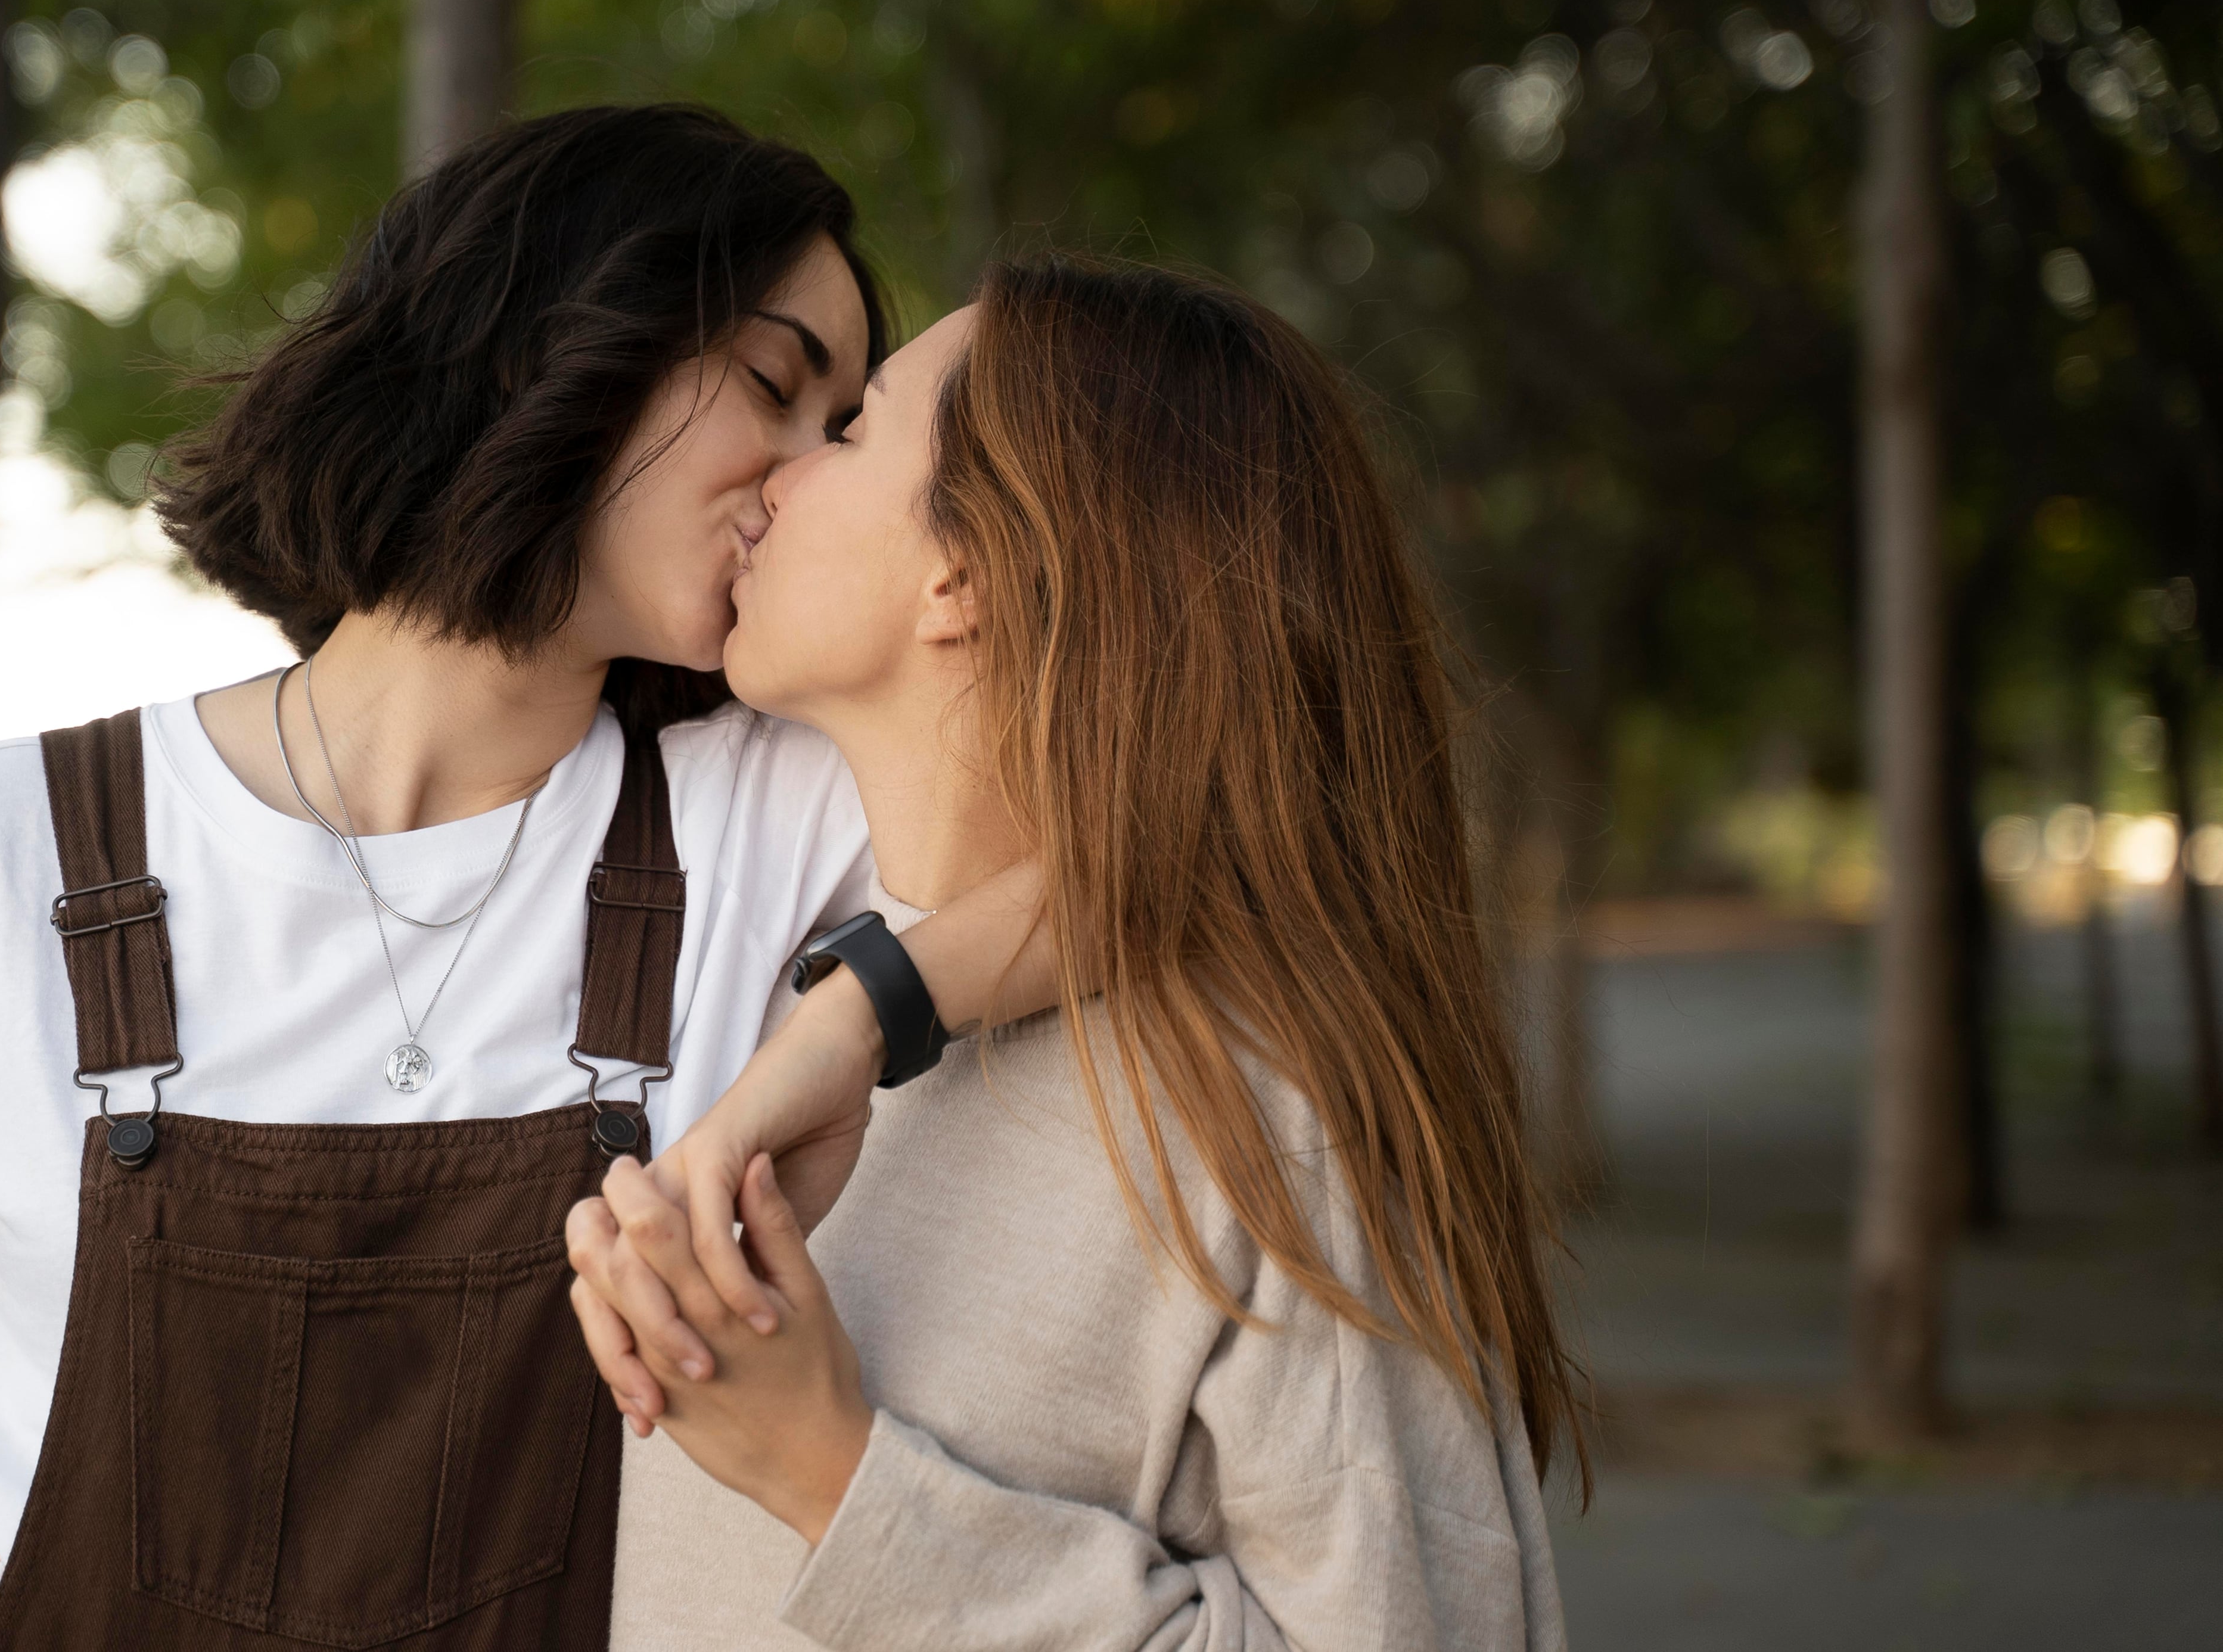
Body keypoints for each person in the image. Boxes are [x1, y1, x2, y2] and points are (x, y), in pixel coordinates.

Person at [0, 105, 1047, 1652]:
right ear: (550, 334)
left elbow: (1189, 866)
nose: (797, 477)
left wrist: (854, 1020)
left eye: (843, 429)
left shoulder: (774, 820)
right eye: (777, 385)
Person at [567, 254, 1582, 1650]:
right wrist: (861, 1013)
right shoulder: (774, 970)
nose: (782, 470)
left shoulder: (1264, 1122)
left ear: (964, 574)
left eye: (853, 428)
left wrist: (832, 1475)